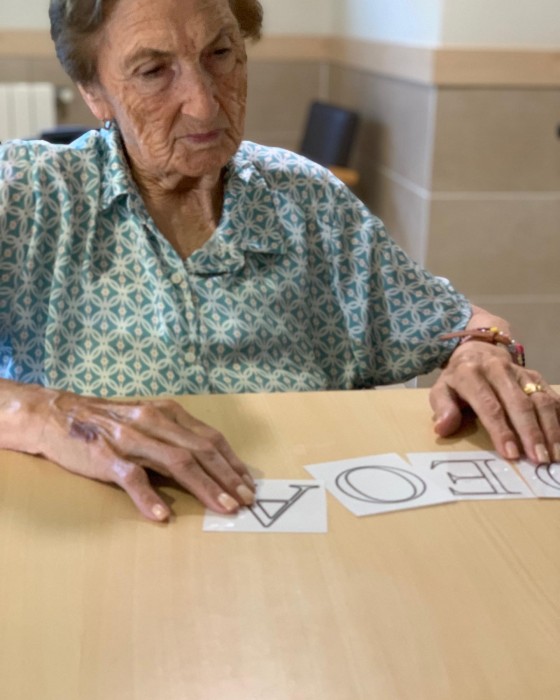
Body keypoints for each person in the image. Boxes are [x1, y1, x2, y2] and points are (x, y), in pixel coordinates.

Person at [0, 0, 558, 522]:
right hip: (104, 538)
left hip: (306, 546)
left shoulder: (307, 201)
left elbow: (466, 326)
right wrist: (42, 412)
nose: (204, 103)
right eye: (153, 71)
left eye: (220, 53)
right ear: (94, 91)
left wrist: (482, 353)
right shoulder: (28, 195)